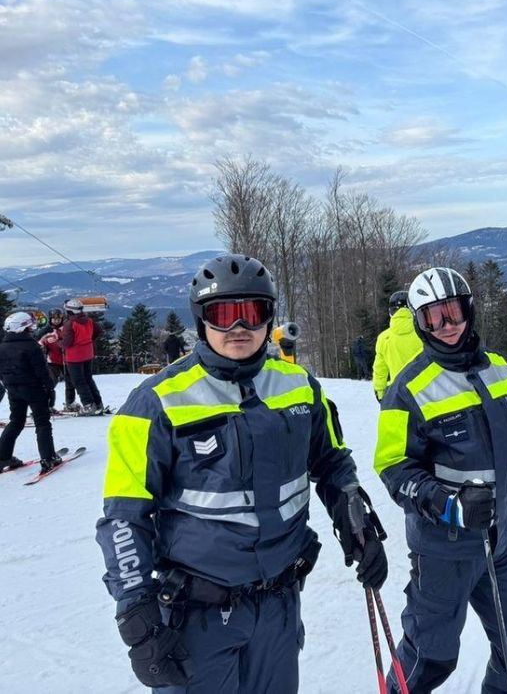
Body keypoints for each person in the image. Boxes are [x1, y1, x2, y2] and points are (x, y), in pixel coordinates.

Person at [95, 254, 388, 693]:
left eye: (252, 312)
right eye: (223, 314)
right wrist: (137, 615)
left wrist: (353, 516)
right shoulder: (155, 402)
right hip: (197, 617)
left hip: (278, 607)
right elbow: (123, 516)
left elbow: (331, 462)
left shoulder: (299, 386)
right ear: (201, 320)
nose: (238, 327)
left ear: (268, 317)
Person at [375, 267, 507, 694]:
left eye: (452, 312)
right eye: (433, 318)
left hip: (502, 540)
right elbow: (394, 468)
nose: (447, 326)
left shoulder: (500, 369)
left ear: (468, 311)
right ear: (419, 323)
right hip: (444, 550)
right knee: (430, 662)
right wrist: (448, 503)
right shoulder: (408, 390)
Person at [0, 311, 60, 472]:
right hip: (33, 389)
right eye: (29, 326)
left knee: (16, 421)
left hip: (13, 389)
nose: (32, 329)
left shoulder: (2, 347)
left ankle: (3, 457)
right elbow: (42, 371)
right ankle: (48, 458)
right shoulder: (31, 346)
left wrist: (8, 384)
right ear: (23, 328)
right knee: (42, 423)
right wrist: (50, 389)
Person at [372, 290, 423, 402]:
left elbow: (380, 369)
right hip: (426, 392)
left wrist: (380, 392)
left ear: (391, 312)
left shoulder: (384, 338)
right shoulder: (423, 333)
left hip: (398, 394)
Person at [62, 298, 104, 414]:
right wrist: (89, 340)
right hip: (88, 353)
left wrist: (58, 343)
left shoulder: (70, 324)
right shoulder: (89, 321)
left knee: (79, 381)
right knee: (88, 379)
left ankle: (88, 405)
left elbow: (67, 343)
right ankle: (98, 403)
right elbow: (99, 331)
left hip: (74, 356)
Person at [38, 308, 78, 410]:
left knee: (70, 383)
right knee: (50, 382)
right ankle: (47, 405)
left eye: (58, 318)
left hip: (67, 360)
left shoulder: (66, 329)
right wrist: (43, 349)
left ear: (62, 318)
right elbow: (40, 343)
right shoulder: (47, 331)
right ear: (50, 319)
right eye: (54, 319)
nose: (56, 321)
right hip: (53, 361)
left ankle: (70, 403)